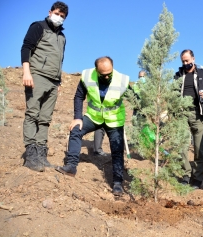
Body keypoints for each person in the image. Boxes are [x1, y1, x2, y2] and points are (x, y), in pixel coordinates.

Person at [56, 56, 130, 196]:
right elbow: (79, 96)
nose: (107, 77)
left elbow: (135, 98)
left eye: (110, 73)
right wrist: (77, 118)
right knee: (76, 130)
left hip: (114, 120)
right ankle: (71, 166)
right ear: (96, 70)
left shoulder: (122, 80)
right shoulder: (87, 76)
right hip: (94, 117)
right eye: (103, 74)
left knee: (117, 149)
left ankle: (118, 183)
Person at [21, 1, 69, 172]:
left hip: (53, 81)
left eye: (62, 16)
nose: (59, 18)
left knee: (45, 119)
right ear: (50, 12)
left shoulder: (62, 37)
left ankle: (41, 154)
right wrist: (27, 72)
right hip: (37, 76)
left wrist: (59, 81)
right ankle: (31, 155)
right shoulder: (38, 26)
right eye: (57, 14)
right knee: (33, 113)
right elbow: (26, 47)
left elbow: (59, 60)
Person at [174, 49, 203, 189]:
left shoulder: (202, 73)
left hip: (198, 113)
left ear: (193, 59)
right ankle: (186, 174)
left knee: (199, 147)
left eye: (187, 61)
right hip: (182, 114)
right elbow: (172, 93)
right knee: (182, 146)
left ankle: (197, 177)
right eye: (183, 61)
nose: (185, 63)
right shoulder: (178, 75)